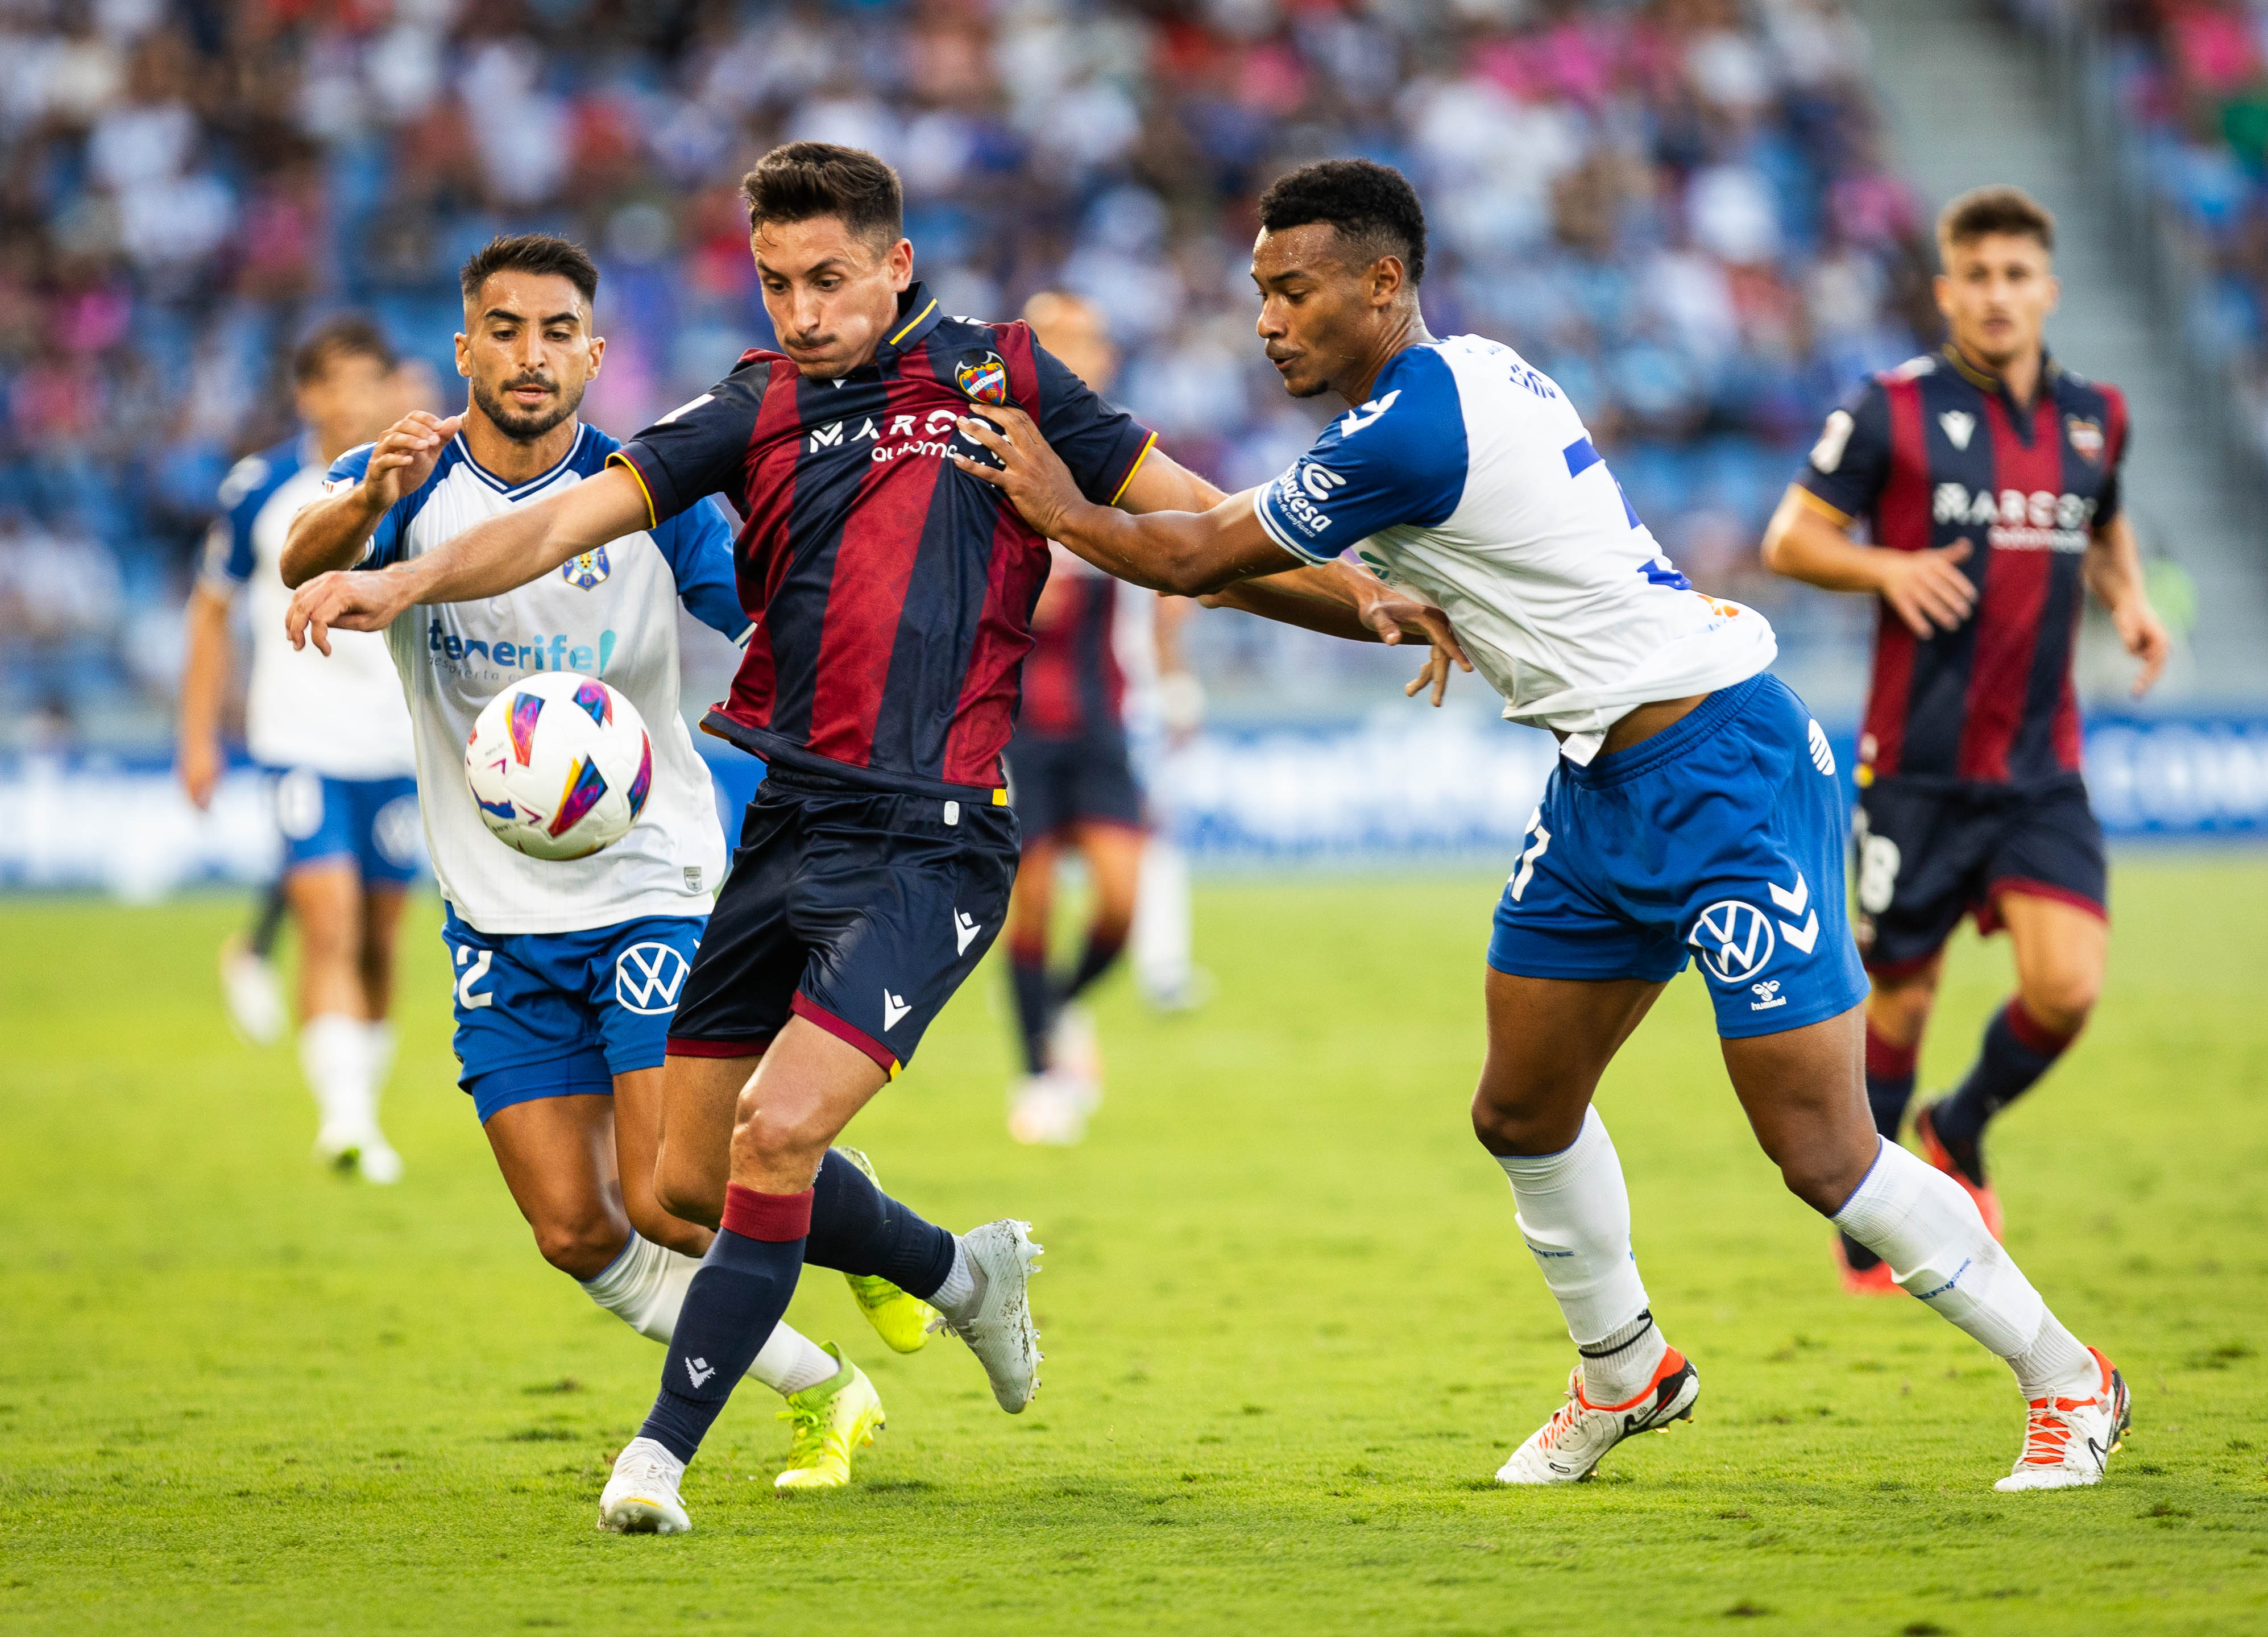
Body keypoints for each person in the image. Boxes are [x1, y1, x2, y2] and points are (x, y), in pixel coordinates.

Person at [285, 144, 1458, 1533]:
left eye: (829, 280)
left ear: (897, 264)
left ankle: (657, 1460)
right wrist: (409, 571)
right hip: (789, 824)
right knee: (680, 1181)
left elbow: (1195, 523)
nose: (801, 311)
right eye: (777, 283)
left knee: (775, 1137)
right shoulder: (754, 403)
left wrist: (1367, 601)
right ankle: (964, 1276)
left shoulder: (1003, 378)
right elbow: (562, 523)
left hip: (937, 831)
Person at [958, 158, 2133, 1493]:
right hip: (1599, 788)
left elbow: (1191, 555)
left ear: (1382, 281)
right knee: (1520, 1111)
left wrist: (1056, 504)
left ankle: (2068, 1378)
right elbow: (1280, 571)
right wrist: (1380, 601)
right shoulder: (1448, 384)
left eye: (1293, 292)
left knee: (1821, 1151)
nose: (1269, 320)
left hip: (1726, 769)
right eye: (1259, 294)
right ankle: (1627, 1370)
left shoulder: (1409, 429)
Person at [279, 233, 937, 1492]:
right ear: (465, 346)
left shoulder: (652, 495)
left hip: (654, 883)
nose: (532, 356)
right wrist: (366, 508)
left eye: (558, 331)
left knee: (671, 1196)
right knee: (574, 1230)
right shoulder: (405, 482)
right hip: (495, 908)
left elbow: (767, 623)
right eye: (506, 330)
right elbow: (303, 560)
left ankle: (873, 1236)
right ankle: (826, 1387)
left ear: (595, 351)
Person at [1759, 185, 2169, 1292]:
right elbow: (1790, 539)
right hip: (1919, 770)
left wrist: (2129, 599)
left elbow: (2106, 512)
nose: (1997, 296)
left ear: (2049, 289)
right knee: (1900, 998)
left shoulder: (2098, 415)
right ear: (1947, 290)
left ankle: (1961, 1118)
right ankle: (1871, 1219)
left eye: (2016, 276)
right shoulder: (1890, 409)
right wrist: (1887, 566)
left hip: (2042, 769)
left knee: (2067, 988)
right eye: (1976, 276)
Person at [179, 316, 419, 1180]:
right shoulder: (264, 487)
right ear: (309, 394)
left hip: (400, 746)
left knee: (381, 940)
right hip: (301, 743)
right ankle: (347, 1122)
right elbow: (210, 611)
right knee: (331, 921)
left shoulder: (424, 481)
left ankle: (362, 1102)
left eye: (372, 382)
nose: (357, 400)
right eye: (341, 383)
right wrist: (197, 735)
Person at [1000, 291, 1202, 1145]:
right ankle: (1040, 1073)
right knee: (1033, 906)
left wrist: (1172, 663)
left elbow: (1178, 571)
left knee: (1119, 908)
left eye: (1085, 342)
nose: (1074, 356)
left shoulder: (1123, 462)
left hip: (1104, 718)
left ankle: (1062, 1011)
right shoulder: (993, 453)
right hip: (1011, 722)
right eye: (1055, 343)